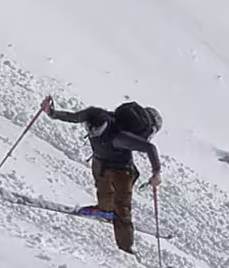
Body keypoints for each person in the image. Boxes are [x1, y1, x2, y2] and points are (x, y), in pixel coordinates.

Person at [45, 97, 162, 251]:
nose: (91, 131)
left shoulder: (118, 136)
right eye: (90, 128)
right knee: (103, 188)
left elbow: (150, 148)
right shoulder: (93, 115)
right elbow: (73, 117)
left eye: (95, 129)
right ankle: (105, 210)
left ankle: (126, 247)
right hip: (102, 162)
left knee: (122, 208)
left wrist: (156, 172)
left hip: (120, 169)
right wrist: (52, 113)